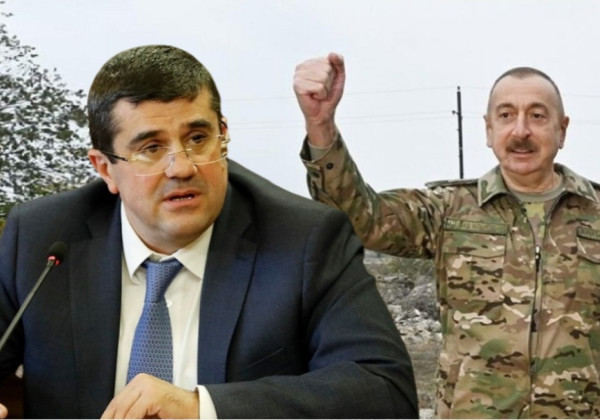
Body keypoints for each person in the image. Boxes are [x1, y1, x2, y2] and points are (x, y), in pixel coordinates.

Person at [0, 45, 418, 419]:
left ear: (224, 135)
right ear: (105, 168)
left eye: (198, 138)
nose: (182, 167)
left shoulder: (305, 239)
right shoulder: (41, 238)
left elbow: (385, 392)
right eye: (151, 148)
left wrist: (203, 409)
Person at [293, 52, 600, 418]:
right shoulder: (448, 209)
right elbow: (361, 219)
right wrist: (321, 125)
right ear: (488, 129)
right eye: (506, 115)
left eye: (537, 115)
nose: (520, 131)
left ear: (562, 129)